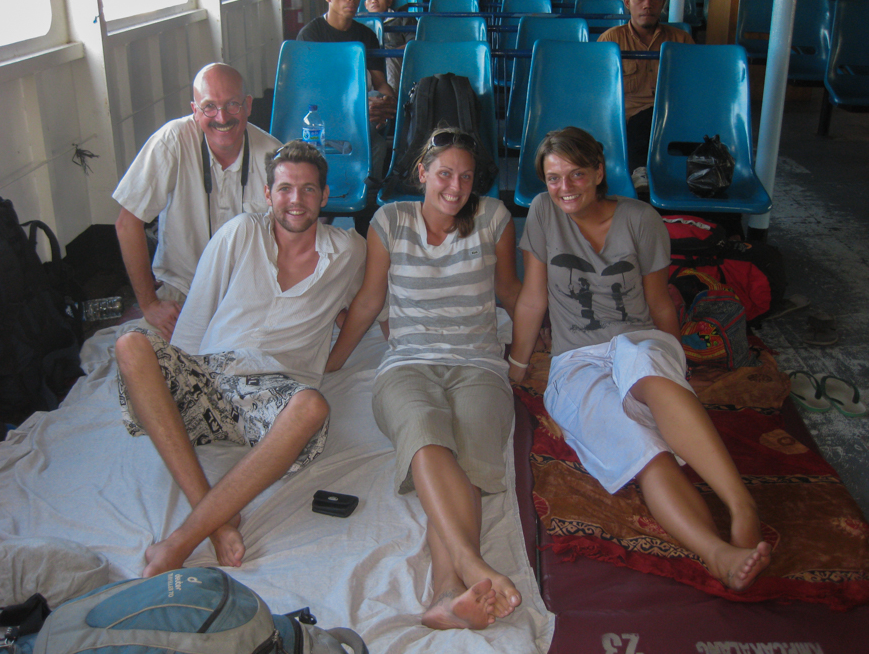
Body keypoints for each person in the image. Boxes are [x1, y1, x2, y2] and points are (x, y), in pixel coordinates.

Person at [508, 127, 772, 592]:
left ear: (597, 172)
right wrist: (516, 364)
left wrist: (676, 365)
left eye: (576, 175)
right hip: (576, 360)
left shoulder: (640, 218)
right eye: (553, 178)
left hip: (637, 339)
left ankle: (741, 505)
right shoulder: (542, 215)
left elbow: (660, 301)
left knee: (647, 368)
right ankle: (718, 553)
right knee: (644, 451)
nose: (564, 188)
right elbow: (532, 298)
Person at [115, 141, 366, 578]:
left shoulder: (348, 252)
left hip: (276, 391)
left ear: (325, 197)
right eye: (285, 189)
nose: (296, 201)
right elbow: (196, 316)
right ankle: (212, 521)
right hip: (212, 376)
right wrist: (178, 381)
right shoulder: (238, 232)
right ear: (267, 195)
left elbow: (364, 307)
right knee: (131, 345)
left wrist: (335, 355)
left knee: (312, 406)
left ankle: (180, 541)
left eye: (308, 190)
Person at [325, 128, 524, 629]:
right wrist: (331, 363)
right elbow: (371, 301)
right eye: (444, 174)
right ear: (422, 173)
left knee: (472, 456)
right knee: (425, 437)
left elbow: (510, 291)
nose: (455, 187)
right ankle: (470, 565)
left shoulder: (495, 219)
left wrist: (529, 354)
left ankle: (446, 591)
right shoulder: (389, 221)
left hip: (478, 363)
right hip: (408, 363)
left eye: (465, 177)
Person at [114, 63, 282, 341]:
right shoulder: (171, 142)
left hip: (250, 294)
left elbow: (295, 236)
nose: (222, 117)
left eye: (232, 105)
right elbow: (126, 224)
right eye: (209, 107)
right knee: (137, 353)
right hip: (182, 293)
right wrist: (150, 305)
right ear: (194, 110)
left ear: (248, 106)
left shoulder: (274, 156)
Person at [298, 0, 398, 236]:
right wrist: (358, 105)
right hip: (322, 117)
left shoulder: (366, 36)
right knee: (368, 126)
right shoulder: (311, 35)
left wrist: (388, 101)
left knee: (375, 131)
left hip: (358, 119)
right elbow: (309, 93)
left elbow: (380, 83)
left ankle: (366, 207)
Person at [598, 0, 694, 195]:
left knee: (711, 153)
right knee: (644, 120)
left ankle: (729, 224)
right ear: (627, 2)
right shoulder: (610, 40)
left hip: (673, 120)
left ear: (663, 2)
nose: (647, 4)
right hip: (629, 122)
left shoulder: (681, 40)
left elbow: (692, 90)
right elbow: (600, 95)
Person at [364, 0, 416, 95]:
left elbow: (413, 43)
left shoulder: (403, 18)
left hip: (395, 59)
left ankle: (392, 100)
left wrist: (390, 52)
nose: (374, 0)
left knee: (388, 59)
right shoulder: (360, 24)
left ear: (389, 2)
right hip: (370, 60)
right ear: (365, 4)